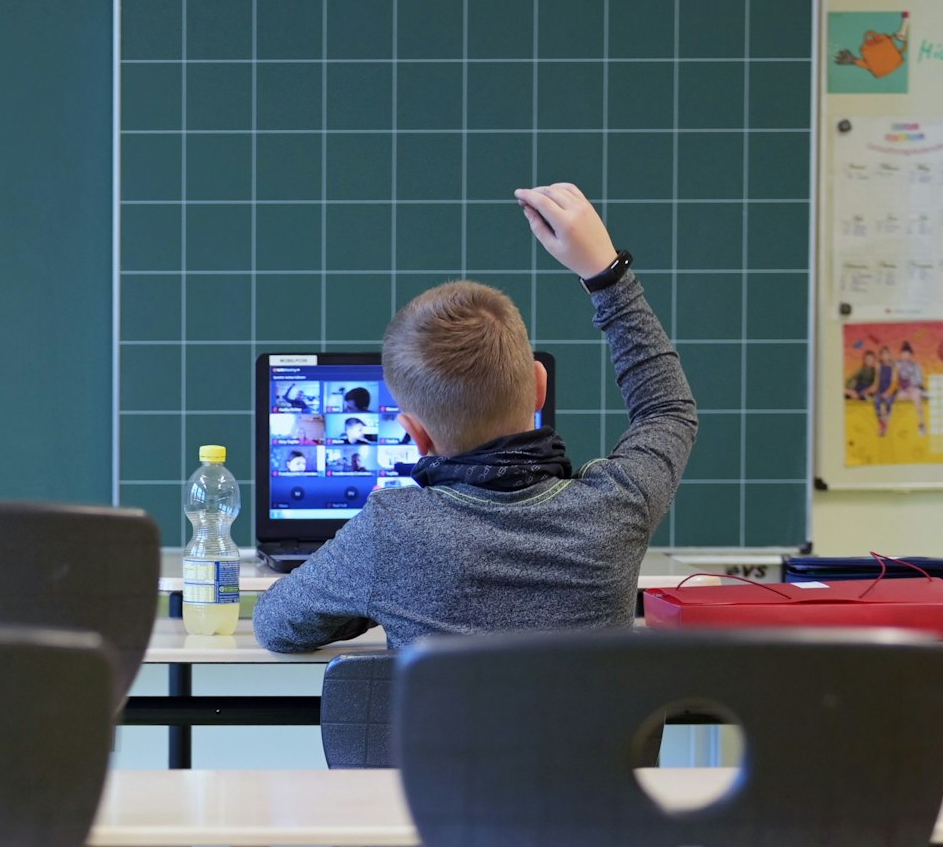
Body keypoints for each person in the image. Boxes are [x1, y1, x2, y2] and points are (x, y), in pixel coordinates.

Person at [252, 183, 697, 652]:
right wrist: (607, 276)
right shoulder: (617, 505)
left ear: (415, 436)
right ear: (539, 385)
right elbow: (667, 408)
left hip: (432, 730)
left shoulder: (390, 533)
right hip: (603, 731)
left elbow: (277, 627)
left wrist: (376, 599)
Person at [894, 341, 928, 435]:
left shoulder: (915, 366)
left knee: (916, 395)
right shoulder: (896, 364)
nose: (905, 356)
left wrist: (912, 385)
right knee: (900, 395)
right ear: (901, 354)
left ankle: (922, 423)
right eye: (904, 354)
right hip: (902, 391)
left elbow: (919, 380)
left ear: (911, 355)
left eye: (908, 355)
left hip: (913, 390)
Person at [874, 346, 897, 437]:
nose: (884, 356)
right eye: (882, 354)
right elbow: (877, 381)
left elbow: (894, 382)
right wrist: (877, 391)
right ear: (880, 356)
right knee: (876, 400)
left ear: (889, 355)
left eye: (886, 354)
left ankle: (885, 423)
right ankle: (881, 423)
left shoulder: (893, 366)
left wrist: (888, 392)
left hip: (890, 389)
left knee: (888, 401)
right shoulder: (879, 366)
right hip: (881, 389)